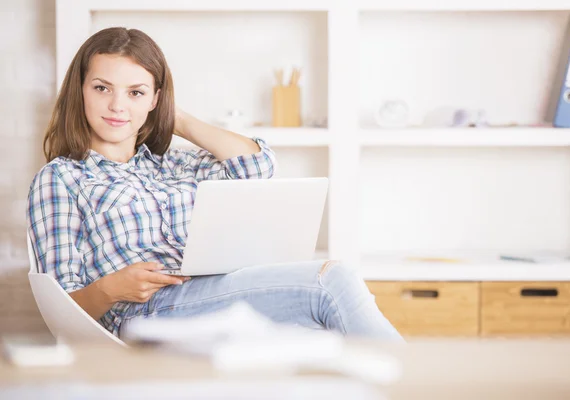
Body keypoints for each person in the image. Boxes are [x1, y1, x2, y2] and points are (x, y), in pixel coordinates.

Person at [26, 27, 401, 341]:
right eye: (102, 88)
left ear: (156, 99)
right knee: (331, 282)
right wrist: (110, 289)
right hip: (145, 315)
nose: (117, 106)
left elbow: (257, 165)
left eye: (136, 92)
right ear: (80, 90)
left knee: (318, 333)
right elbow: (61, 307)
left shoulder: (175, 165)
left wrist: (178, 118)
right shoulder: (62, 179)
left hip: (216, 293)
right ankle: (414, 386)